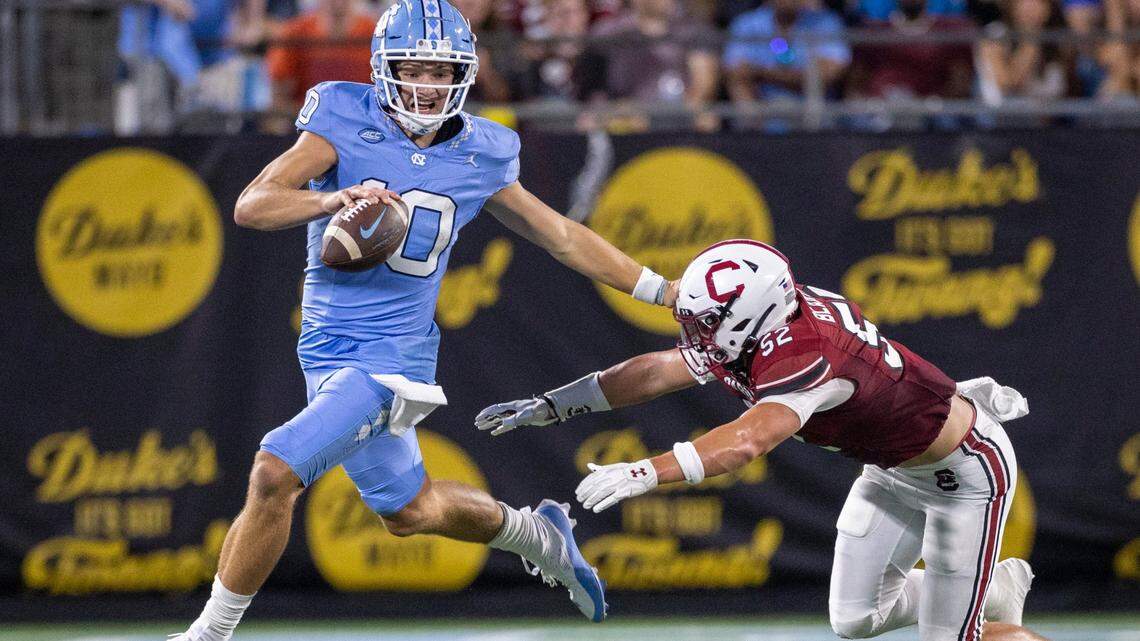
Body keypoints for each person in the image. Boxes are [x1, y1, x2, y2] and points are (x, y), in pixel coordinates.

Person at [170, 2, 683, 639]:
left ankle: (207, 635)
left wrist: (663, 290)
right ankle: (538, 534)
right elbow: (253, 205)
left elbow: (564, 238)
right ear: (384, 69)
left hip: (393, 361)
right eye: (413, 69)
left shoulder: (484, 151)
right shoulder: (341, 116)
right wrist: (332, 197)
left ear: (463, 75)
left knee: (275, 472)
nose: (428, 85)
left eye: (443, 72)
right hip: (327, 348)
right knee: (410, 511)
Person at [478, 240, 1047, 641]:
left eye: (708, 320)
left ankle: (974, 603)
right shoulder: (759, 324)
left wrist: (644, 471)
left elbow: (748, 441)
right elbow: (656, 371)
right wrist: (557, 404)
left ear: (751, 317)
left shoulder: (804, 351)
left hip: (961, 473)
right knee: (856, 619)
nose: (694, 330)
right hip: (890, 467)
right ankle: (991, 584)